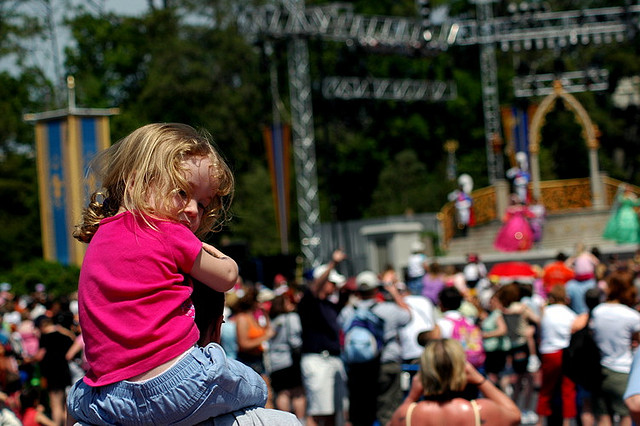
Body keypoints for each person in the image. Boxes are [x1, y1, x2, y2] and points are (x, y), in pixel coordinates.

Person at [66, 123, 268, 425]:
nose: (192, 211)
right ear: (137, 184)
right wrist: (213, 253)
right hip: (178, 383)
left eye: (201, 204)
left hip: (110, 396)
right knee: (253, 384)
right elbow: (226, 277)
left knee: (76, 398)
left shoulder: (98, 241)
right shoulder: (167, 230)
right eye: (182, 193)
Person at [388, 339, 521, 426]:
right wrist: (480, 380)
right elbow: (514, 415)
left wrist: (412, 396)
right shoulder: (480, 411)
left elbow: (392, 423)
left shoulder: (409, 415)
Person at [339, 270, 411, 426]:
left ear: (358, 290)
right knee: (389, 413)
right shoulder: (389, 310)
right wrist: (393, 292)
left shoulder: (348, 312)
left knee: (360, 416)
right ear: (376, 289)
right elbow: (408, 315)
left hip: (358, 368)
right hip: (386, 364)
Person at [298, 249, 349, 426]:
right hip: (317, 360)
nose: (334, 287)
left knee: (336, 410)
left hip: (334, 359)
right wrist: (332, 263)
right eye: (331, 283)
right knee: (317, 410)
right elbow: (314, 288)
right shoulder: (308, 303)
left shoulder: (330, 304)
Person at [590, 269, 640, 426]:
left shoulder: (598, 311)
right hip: (623, 370)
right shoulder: (631, 316)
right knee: (626, 416)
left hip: (600, 368)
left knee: (603, 416)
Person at [535, 285, 577, 426]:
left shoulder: (546, 311)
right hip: (565, 351)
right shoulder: (571, 314)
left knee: (546, 389)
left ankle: (540, 421)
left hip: (548, 352)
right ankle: (567, 422)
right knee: (568, 389)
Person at [266, 290, 306, 422]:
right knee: (297, 392)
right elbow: (295, 340)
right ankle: (299, 421)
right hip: (290, 360)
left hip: (275, 362)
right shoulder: (291, 318)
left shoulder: (273, 320)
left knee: (282, 393)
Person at [33, 315, 74, 426]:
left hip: (51, 373)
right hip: (64, 371)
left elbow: (40, 355)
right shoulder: (62, 335)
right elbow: (73, 340)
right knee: (66, 404)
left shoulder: (44, 337)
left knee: (55, 404)